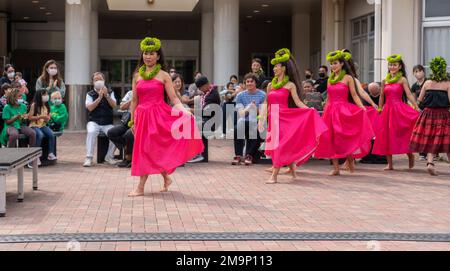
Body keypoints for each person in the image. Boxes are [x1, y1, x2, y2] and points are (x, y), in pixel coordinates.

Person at [128, 37, 204, 196]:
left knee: (149, 149)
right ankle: (166, 178)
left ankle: (140, 187)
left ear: (158, 56)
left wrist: (183, 110)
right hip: (142, 116)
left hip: (158, 115)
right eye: (145, 53)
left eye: (151, 53)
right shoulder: (137, 75)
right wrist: (132, 121)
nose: (148, 56)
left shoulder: (164, 75)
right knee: (147, 149)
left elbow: (174, 98)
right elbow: (134, 100)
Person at [258, 49, 328, 183]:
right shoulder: (271, 85)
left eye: (276, 66)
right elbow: (266, 102)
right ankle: (292, 170)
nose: (274, 69)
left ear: (283, 68)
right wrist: (261, 118)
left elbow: (297, 102)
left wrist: (310, 110)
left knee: (280, 145)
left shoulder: (290, 85)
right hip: (273, 118)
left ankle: (274, 175)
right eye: (274, 66)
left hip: (285, 118)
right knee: (276, 145)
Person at [314, 50, 375, 176]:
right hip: (330, 111)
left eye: (335, 63)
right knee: (331, 138)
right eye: (331, 64)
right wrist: (325, 112)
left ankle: (349, 159)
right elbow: (329, 98)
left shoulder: (348, 78)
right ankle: (336, 167)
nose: (333, 66)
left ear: (342, 64)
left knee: (344, 137)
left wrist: (361, 107)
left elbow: (354, 95)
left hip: (343, 110)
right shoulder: (330, 79)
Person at [372, 54, 420, 170]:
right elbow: (382, 96)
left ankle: (410, 156)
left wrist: (416, 106)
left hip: (399, 109)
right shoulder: (385, 81)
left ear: (399, 67)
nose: (392, 67)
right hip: (387, 110)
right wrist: (379, 108)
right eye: (390, 65)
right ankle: (390, 164)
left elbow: (408, 94)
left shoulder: (402, 79)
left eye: (394, 65)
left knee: (402, 133)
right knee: (386, 135)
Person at [410, 56, 450, 176]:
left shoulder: (427, 83)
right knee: (447, 139)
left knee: (431, 138)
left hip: (428, 114)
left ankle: (430, 163)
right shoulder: (447, 83)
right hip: (443, 114)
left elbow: (420, 100)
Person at [83, 72, 118, 167]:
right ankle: (89, 157)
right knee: (91, 132)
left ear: (104, 81)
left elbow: (114, 105)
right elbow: (89, 107)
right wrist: (99, 98)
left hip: (107, 123)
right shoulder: (90, 94)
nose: (98, 81)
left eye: (100, 79)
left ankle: (109, 156)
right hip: (94, 122)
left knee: (114, 133)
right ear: (93, 82)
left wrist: (106, 96)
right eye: (96, 80)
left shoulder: (110, 92)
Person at [232, 73, 266, 166]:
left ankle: (249, 155)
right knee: (237, 129)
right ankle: (238, 155)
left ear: (256, 83)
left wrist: (256, 109)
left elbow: (263, 113)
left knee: (257, 129)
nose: (249, 83)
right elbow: (241, 114)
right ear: (245, 83)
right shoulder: (240, 96)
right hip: (243, 120)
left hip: (257, 121)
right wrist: (249, 107)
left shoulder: (263, 95)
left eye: (252, 81)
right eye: (247, 81)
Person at [188, 75, 221, 163]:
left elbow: (206, 112)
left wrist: (191, 110)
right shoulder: (207, 93)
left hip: (212, 122)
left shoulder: (212, 95)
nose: (200, 90)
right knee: (192, 124)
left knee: (193, 126)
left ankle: (198, 154)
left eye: (200, 88)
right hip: (207, 120)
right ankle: (201, 155)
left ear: (206, 85)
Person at [107, 89, 134, 168]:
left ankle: (128, 159)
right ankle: (126, 147)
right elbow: (122, 107)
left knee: (128, 135)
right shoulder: (130, 93)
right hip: (127, 121)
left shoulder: (145, 93)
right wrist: (133, 99)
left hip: (139, 120)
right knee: (111, 132)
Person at [28, 89, 57, 162]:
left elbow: (46, 119)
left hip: (43, 125)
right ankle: (36, 155)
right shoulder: (34, 105)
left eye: (47, 94)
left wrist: (47, 118)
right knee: (40, 135)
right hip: (34, 125)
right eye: (44, 95)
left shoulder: (46, 106)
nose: (46, 96)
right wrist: (41, 117)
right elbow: (30, 117)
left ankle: (50, 153)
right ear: (39, 96)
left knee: (51, 134)